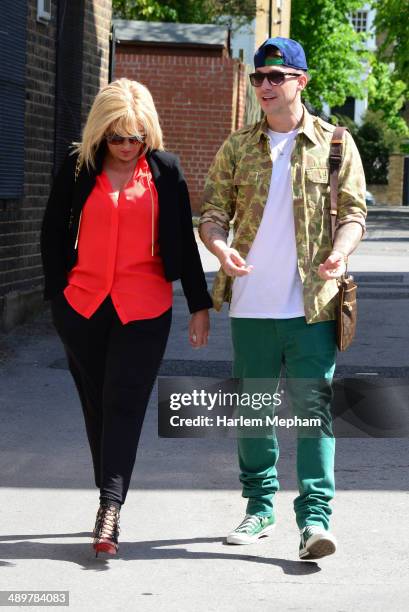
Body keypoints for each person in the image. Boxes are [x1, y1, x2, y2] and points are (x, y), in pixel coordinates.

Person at [199, 38, 366, 559]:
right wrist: (220, 249)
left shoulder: (335, 143)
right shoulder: (237, 146)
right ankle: (259, 507)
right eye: (258, 78)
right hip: (250, 305)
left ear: (301, 81)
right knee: (253, 414)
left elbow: (355, 214)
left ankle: (315, 521)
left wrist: (339, 252)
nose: (265, 86)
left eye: (276, 76)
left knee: (313, 413)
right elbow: (212, 214)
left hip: (313, 305)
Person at [41, 78, 212, 557]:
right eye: (115, 136)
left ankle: (109, 509)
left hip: (145, 309)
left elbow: (184, 242)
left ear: (148, 134)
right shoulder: (77, 170)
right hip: (82, 308)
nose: (125, 146)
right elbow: (52, 234)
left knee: (124, 404)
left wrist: (199, 306)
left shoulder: (166, 173)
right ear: (101, 132)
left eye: (134, 137)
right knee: (96, 404)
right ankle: (108, 487)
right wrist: (57, 295)